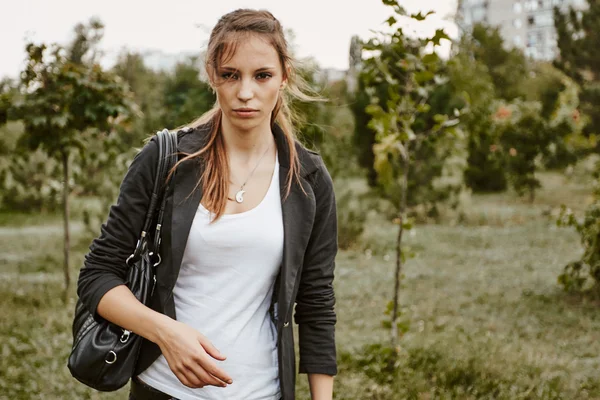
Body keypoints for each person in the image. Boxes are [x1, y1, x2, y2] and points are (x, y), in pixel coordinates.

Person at [76, 8, 338, 400]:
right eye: (230, 74)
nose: (245, 92)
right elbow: (97, 275)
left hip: (262, 392)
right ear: (212, 75)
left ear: (283, 78)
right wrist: (165, 332)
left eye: (261, 75)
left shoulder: (308, 179)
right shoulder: (167, 159)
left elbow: (316, 304)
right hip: (162, 389)